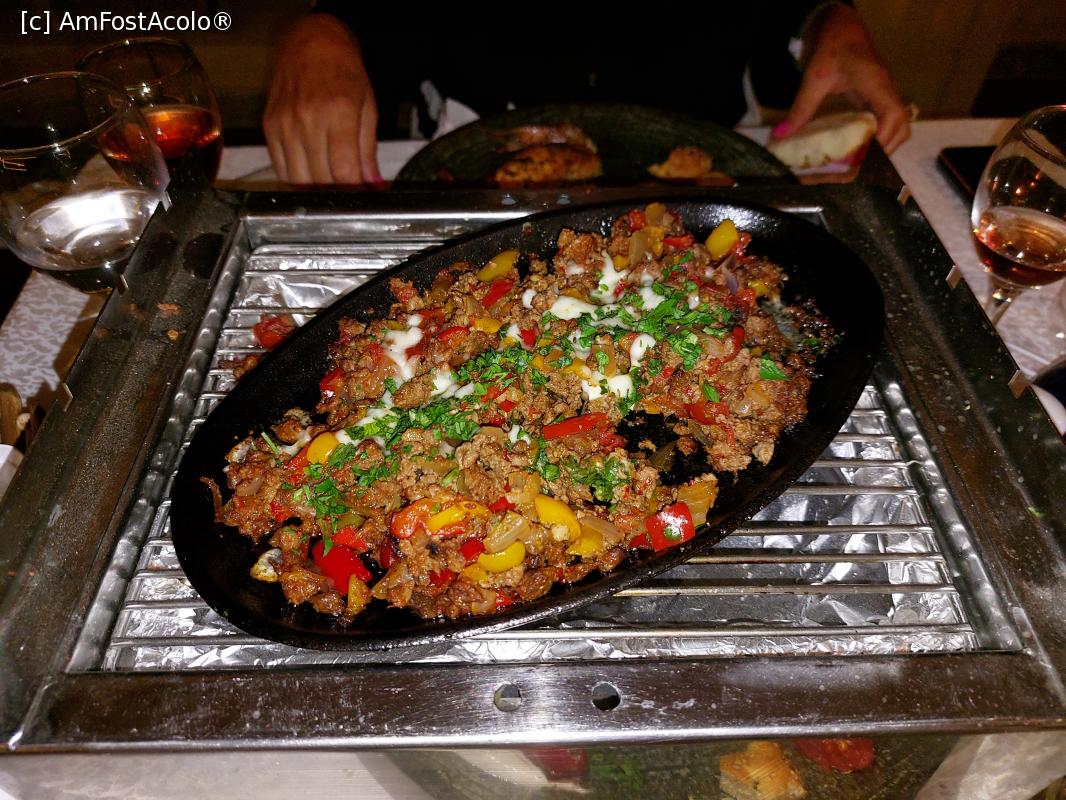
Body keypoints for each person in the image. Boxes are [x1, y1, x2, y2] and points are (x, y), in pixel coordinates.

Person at [264, 5, 911, 185]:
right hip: (477, 150)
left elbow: (789, 17)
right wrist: (325, 26)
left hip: (714, 142)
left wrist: (826, 18)